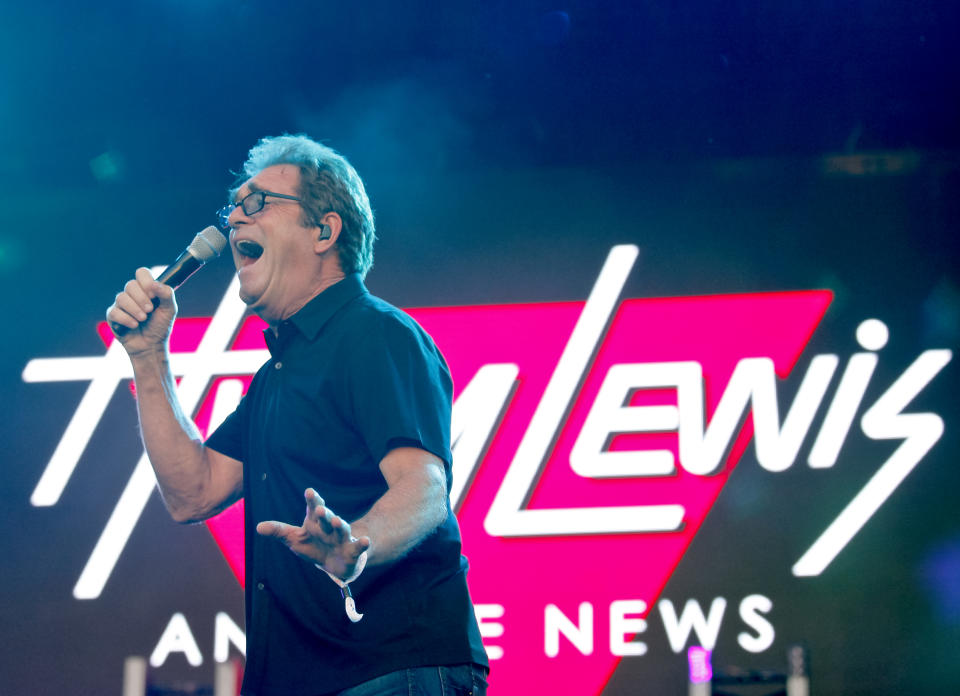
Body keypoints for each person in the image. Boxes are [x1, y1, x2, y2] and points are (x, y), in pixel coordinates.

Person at [106, 134, 489, 696]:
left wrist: (356, 543)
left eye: (257, 202)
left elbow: (425, 487)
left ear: (324, 232)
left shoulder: (376, 333)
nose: (235, 216)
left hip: (386, 667)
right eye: (233, 205)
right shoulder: (276, 378)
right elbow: (193, 491)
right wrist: (146, 354)